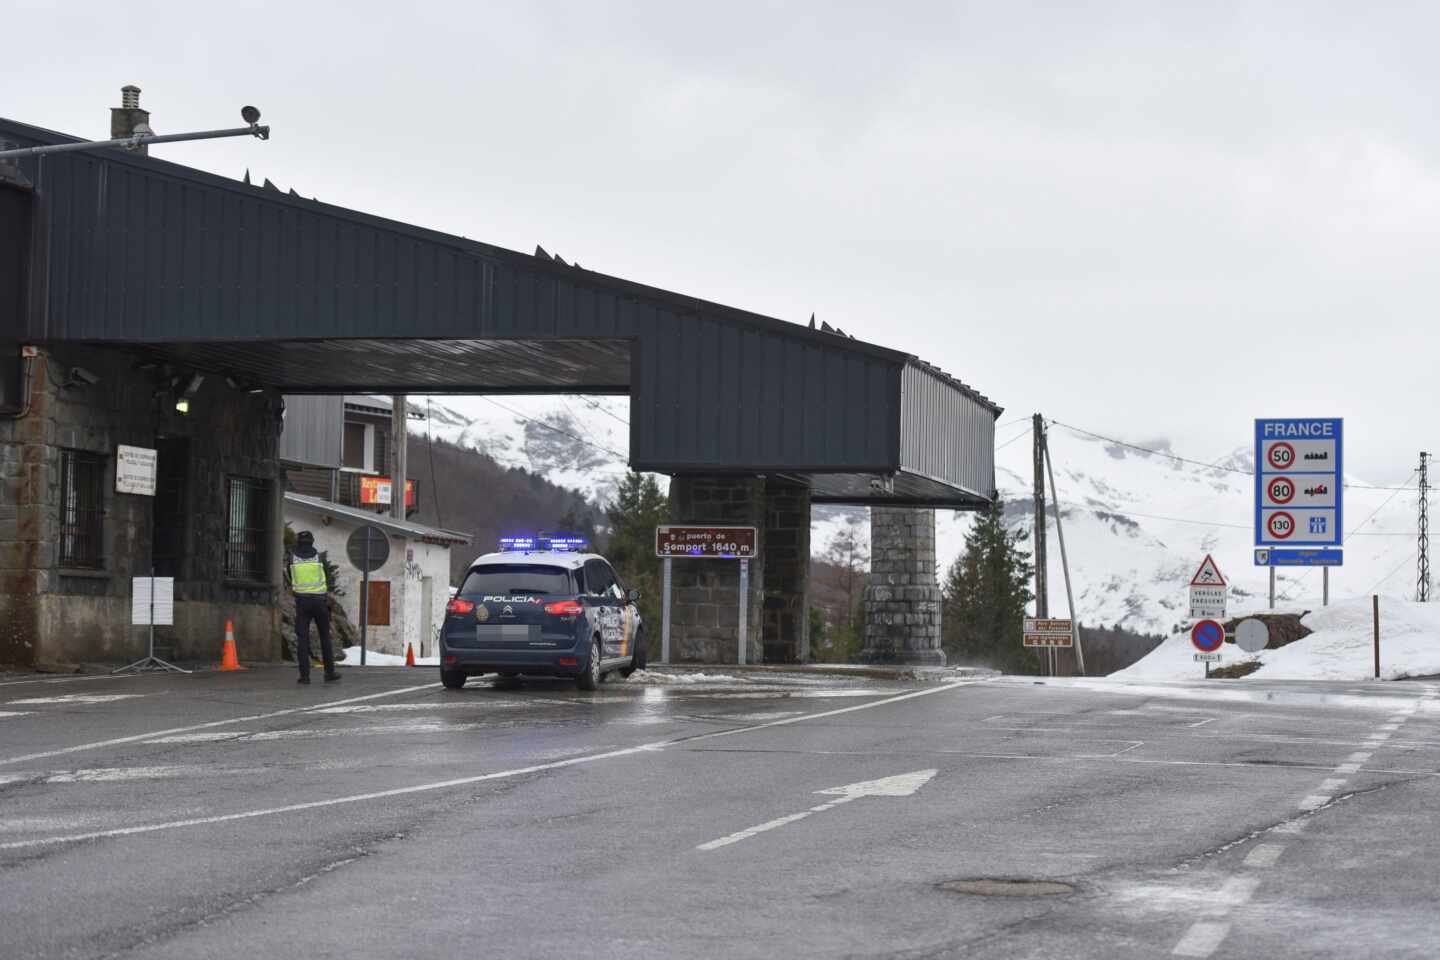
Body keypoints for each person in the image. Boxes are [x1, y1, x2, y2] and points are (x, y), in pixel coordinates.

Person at [287, 530, 340, 685]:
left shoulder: (292, 559)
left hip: (302, 602)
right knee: (325, 636)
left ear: (298, 542)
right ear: (312, 542)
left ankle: (304, 676)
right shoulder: (319, 558)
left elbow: (291, 578)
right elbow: (327, 579)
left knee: (302, 638)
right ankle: (329, 672)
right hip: (319, 601)